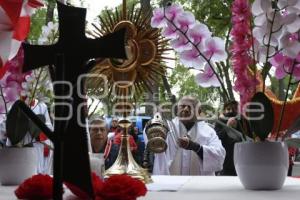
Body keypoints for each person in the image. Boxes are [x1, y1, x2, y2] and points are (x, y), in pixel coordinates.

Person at [145, 96, 225, 175]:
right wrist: (151, 127)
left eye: (191, 107)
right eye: (183, 106)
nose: (186, 109)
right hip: (170, 184)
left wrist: (195, 147)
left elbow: (219, 155)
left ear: (199, 111)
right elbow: (150, 139)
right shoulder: (166, 127)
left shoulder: (209, 131)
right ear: (177, 110)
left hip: (200, 185)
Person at [214, 100, 252, 176]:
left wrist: (238, 127)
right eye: (228, 109)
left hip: (243, 159)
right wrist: (227, 127)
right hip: (226, 161)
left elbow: (249, 137)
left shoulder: (244, 121)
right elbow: (217, 138)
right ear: (224, 110)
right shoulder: (219, 122)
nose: (231, 111)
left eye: (234, 109)